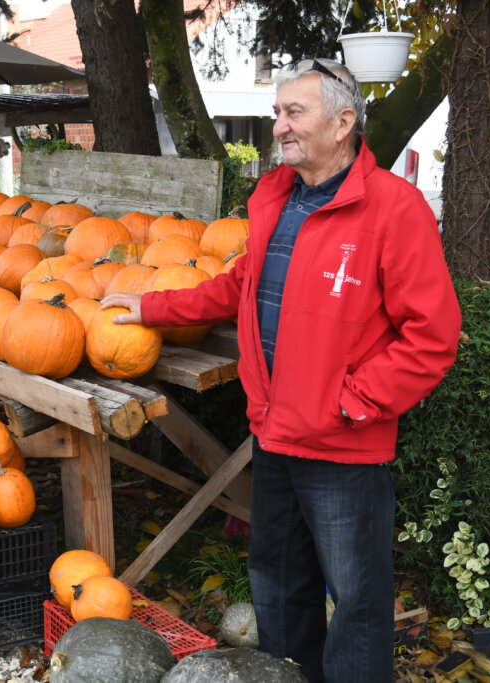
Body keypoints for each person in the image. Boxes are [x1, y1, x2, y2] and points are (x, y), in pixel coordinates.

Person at [101, 59, 461, 682]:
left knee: (358, 606)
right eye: (277, 113)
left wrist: (354, 402)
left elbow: (433, 337)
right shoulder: (274, 199)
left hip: (343, 448)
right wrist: (154, 307)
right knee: (279, 591)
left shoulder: (393, 210)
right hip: (273, 433)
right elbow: (242, 284)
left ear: (344, 121)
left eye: (294, 112)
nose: (279, 126)